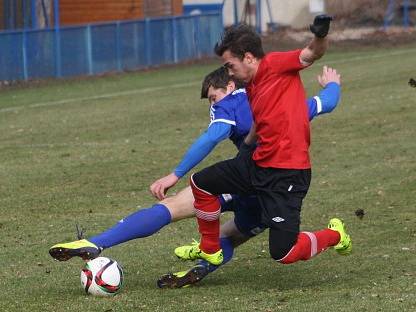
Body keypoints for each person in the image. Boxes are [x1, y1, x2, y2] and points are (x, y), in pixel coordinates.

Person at [49, 63, 342, 286]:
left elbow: (211, 136)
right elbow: (325, 103)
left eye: (213, 97)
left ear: (229, 86)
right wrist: (332, 85)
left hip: (248, 178)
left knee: (172, 206)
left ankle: (97, 242)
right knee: (231, 235)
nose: (213, 106)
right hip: (274, 190)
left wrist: (174, 173)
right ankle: (206, 264)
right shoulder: (280, 104)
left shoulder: (231, 102)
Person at [175, 16, 352, 272]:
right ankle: (211, 249)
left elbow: (312, 52)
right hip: (256, 162)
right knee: (201, 183)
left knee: (284, 252)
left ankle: (335, 235)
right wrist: (245, 150)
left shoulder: (276, 64)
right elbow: (260, 123)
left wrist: (320, 34)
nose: (228, 72)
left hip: (287, 173)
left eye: (230, 65)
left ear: (248, 58)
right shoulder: (251, 86)